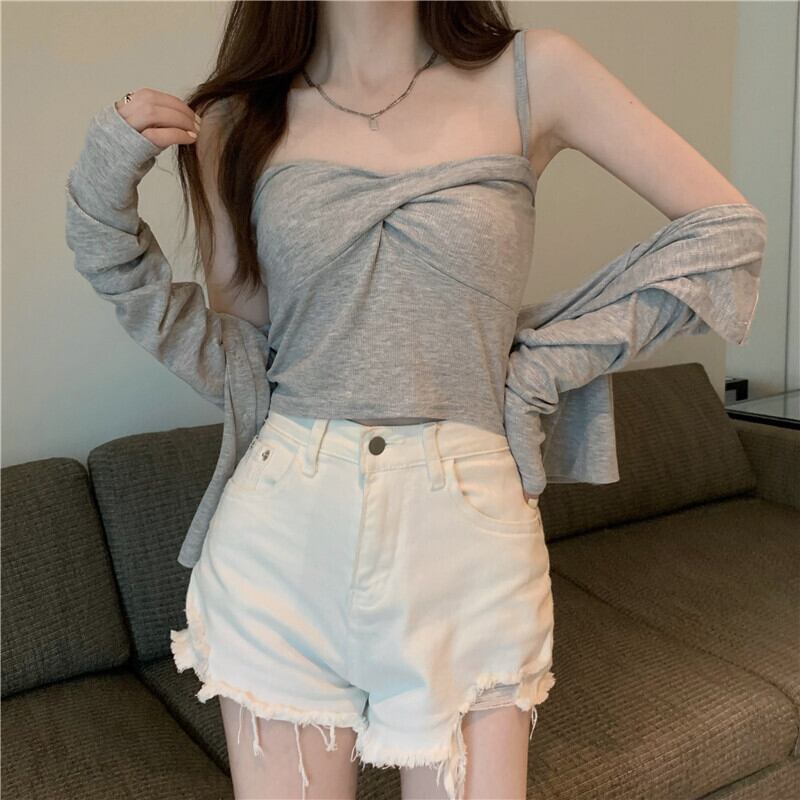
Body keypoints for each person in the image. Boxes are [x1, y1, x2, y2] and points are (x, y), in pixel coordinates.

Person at [64, 2, 767, 799]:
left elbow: (727, 234)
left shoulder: (537, 74)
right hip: (281, 537)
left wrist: (538, 370)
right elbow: (248, 353)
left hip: (468, 537)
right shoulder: (235, 118)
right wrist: (101, 195)